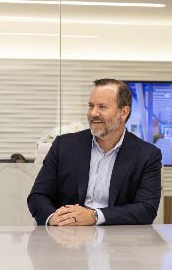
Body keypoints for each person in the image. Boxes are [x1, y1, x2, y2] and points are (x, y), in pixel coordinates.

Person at [27, 78, 162, 226]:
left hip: (119, 241)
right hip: (67, 237)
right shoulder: (64, 145)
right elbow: (37, 196)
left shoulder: (147, 155)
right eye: (91, 106)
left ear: (123, 112)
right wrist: (55, 218)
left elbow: (146, 209)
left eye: (102, 107)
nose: (93, 113)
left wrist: (94, 216)